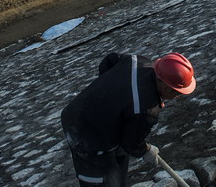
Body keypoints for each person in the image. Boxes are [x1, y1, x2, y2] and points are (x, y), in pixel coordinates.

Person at [61, 51, 196, 186]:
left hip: (81, 110)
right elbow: (131, 144)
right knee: (101, 178)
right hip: (84, 130)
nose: (178, 96)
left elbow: (110, 60)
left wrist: (109, 96)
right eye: (178, 93)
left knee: (119, 158)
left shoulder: (137, 61)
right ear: (166, 87)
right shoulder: (145, 110)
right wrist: (146, 150)